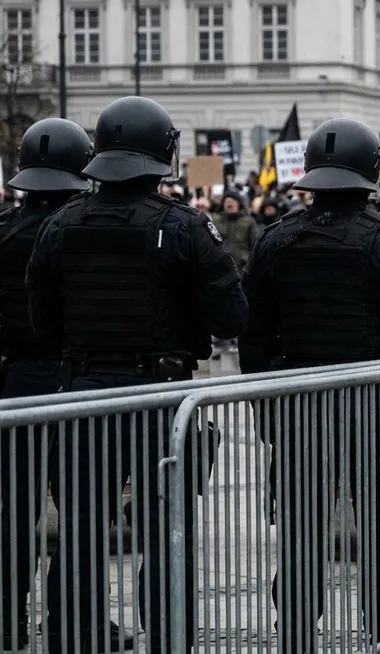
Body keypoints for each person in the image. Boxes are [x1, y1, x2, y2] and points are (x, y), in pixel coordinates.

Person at [25, 96, 248, 654]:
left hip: (82, 393)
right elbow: (231, 316)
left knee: (80, 526)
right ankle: (169, 637)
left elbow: (41, 320)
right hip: (160, 395)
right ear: (162, 155)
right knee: (166, 530)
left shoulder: (60, 224)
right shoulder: (184, 227)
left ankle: (71, 637)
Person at [238, 117, 380, 653]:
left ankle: (299, 634)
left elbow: (254, 336)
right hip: (372, 402)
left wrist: (268, 412)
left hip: (300, 404)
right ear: (369, 172)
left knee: (301, 532)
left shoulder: (276, 238)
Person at [0, 118, 131, 653]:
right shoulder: (84, 229)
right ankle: (76, 623)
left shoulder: (4, 231)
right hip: (72, 379)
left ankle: (7, 620)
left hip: (14, 382)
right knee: (84, 514)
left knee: (14, 511)